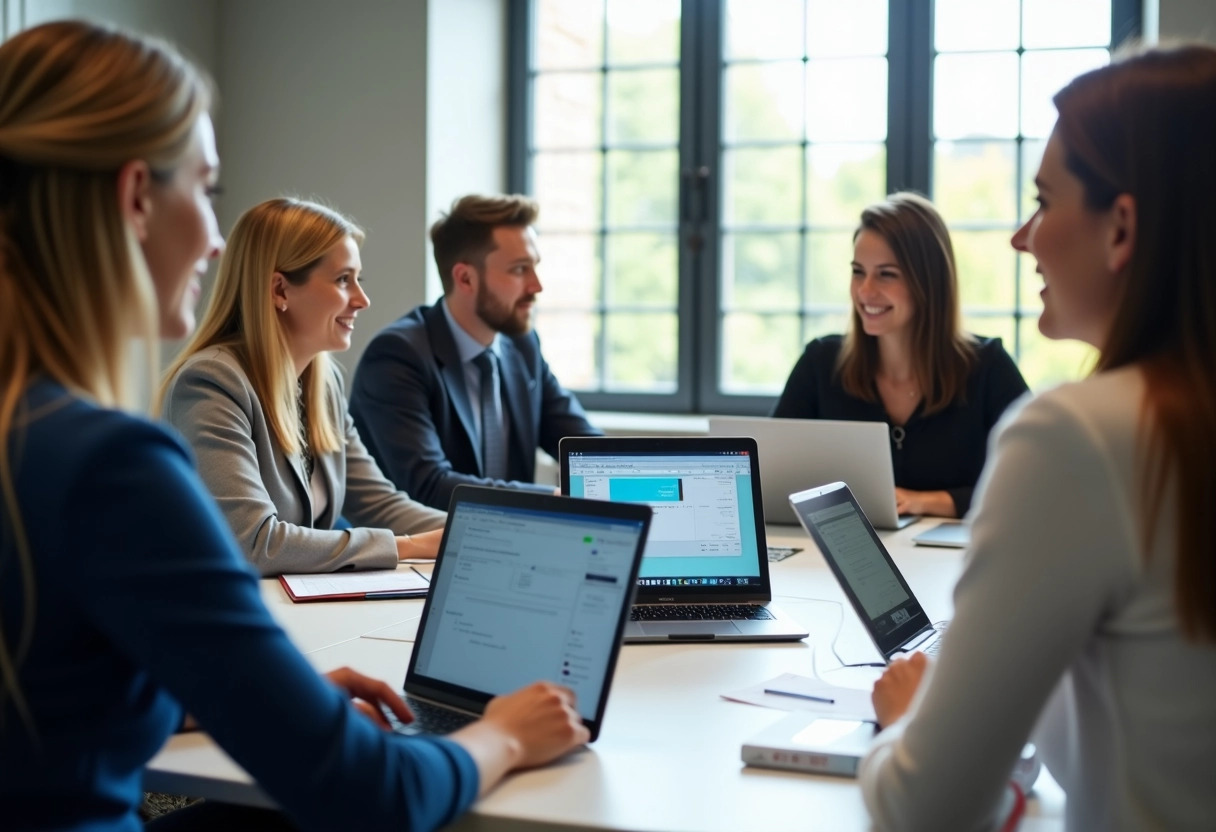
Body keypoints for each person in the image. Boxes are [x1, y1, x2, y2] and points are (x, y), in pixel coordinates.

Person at [0, 20, 589, 832]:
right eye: (205, 192)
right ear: (136, 196)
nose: (214, 238)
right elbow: (369, 792)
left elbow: (43, 703)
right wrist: (504, 737)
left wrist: (244, 694)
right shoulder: (111, 465)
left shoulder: (37, 439)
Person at [859, 45, 1216, 831]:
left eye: (1045, 201)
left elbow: (928, 810)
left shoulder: (1077, 436)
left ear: (1121, 227)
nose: (1024, 237)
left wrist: (912, 720)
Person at [161, 198, 446, 575]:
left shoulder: (322, 384)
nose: (362, 300)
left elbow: (381, 505)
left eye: (358, 279)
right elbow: (252, 542)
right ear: (280, 290)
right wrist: (408, 547)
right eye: (343, 280)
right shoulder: (211, 382)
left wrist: (476, 531)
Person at [771, 193, 1028, 518]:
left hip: (952, 562)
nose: (865, 291)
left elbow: (1036, 483)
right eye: (858, 271)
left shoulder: (988, 368)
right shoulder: (820, 364)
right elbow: (769, 477)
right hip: (841, 558)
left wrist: (927, 501)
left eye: (886, 274)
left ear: (929, 281)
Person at [349, 194, 601, 511]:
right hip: (417, 553)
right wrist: (557, 500)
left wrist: (632, 475)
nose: (536, 286)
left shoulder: (522, 345)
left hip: (506, 544)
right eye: (520, 269)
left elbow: (582, 445)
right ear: (466, 278)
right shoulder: (397, 356)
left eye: (535, 267)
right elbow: (428, 485)